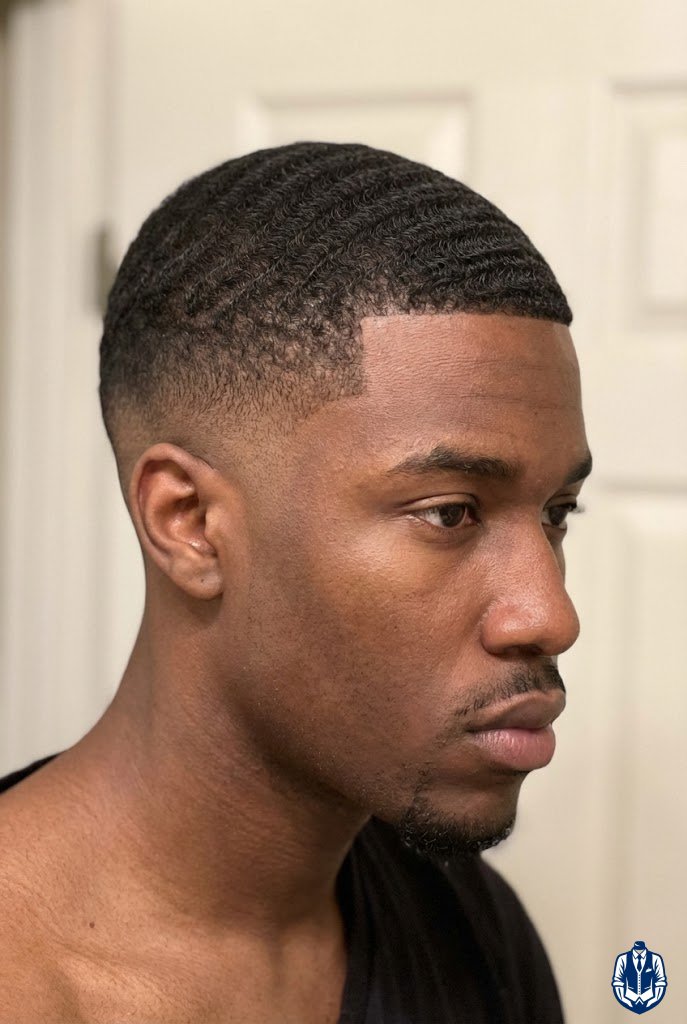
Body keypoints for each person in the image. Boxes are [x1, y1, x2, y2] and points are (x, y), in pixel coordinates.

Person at [0, 141, 592, 1023]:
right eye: (449, 513)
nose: (549, 616)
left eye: (556, 513)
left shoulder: (470, 928)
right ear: (189, 523)